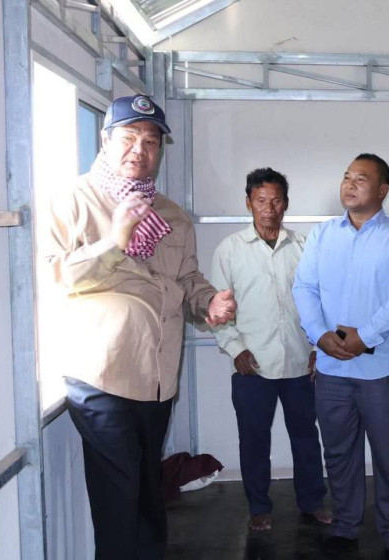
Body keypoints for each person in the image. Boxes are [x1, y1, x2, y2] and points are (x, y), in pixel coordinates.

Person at [42, 95, 237, 558]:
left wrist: (209, 302)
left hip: (158, 378)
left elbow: (187, 279)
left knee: (148, 491)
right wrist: (115, 240)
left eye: (151, 141)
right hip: (102, 376)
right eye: (129, 138)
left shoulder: (171, 215)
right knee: (120, 492)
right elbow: (57, 276)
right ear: (105, 141)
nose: (140, 150)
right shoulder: (73, 201)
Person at [292, 154, 389, 560]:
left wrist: (365, 337)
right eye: (347, 177)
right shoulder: (322, 235)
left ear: (383, 189)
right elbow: (304, 288)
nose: (349, 184)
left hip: (382, 368)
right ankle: (345, 526)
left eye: (361, 179)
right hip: (332, 367)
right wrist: (319, 335)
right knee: (339, 453)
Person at [210, 167, 331, 532]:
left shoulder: (303, 247)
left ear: (286, 204)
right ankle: (258, 507)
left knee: (306, 437)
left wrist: (318, 345)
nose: (269, 208)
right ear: (248, 203)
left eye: (276, 200)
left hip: (299, 362)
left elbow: (320, 301)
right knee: (254, 440)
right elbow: (218, 310)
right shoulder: (230, 250)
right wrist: (236, 349)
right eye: (261, 200)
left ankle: (312, 502)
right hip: (253, 365)